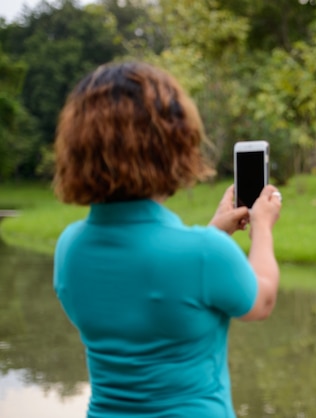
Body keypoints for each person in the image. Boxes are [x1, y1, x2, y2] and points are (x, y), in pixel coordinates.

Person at [52, 61, 282, 418]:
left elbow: (151, 281)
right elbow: (261, 300)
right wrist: (263, 226)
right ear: (173, 145)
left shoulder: (69, 247)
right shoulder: (204, 253)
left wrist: (214, 231)